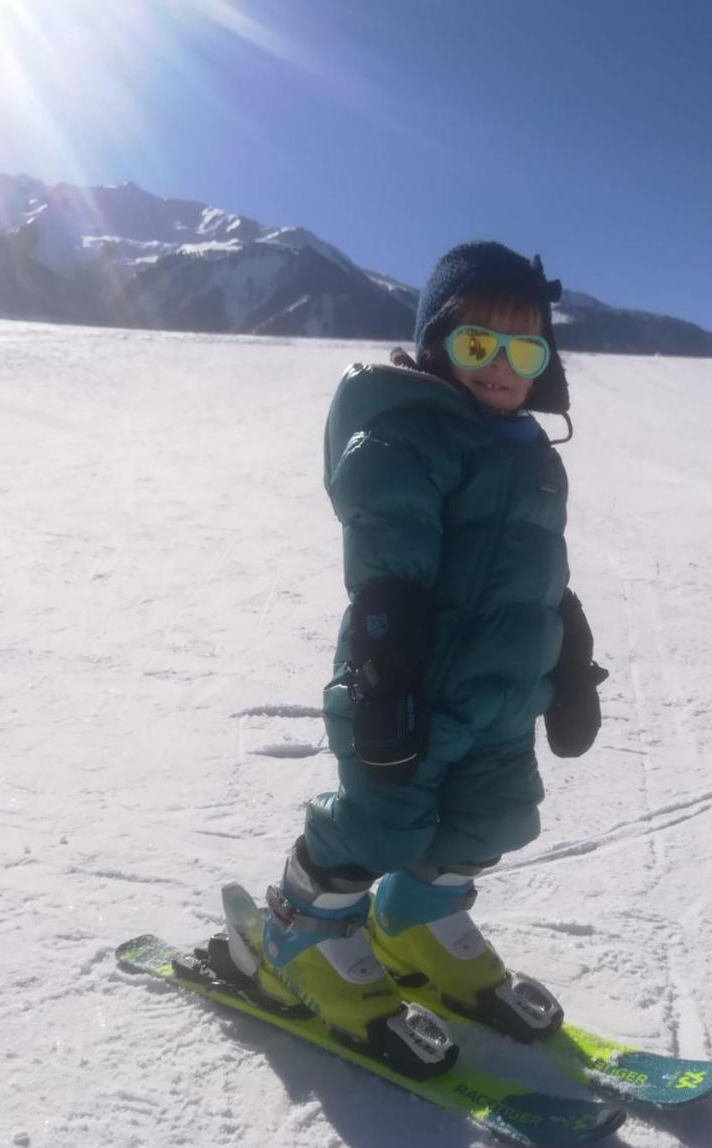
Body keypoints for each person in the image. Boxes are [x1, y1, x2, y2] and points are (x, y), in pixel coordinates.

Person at [221, 242, 608, 1076]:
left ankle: (415, 922)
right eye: (479, 346)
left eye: (526, 350)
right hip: (408, 691)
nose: (504, 369)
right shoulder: (405, 433)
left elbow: (546, 577)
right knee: (379, 820)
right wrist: (383, 684)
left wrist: (569, 665)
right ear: (437, 343)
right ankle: (295, 934)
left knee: (494, 816)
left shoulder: (531, 452)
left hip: (502, 695)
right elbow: (389, 577)